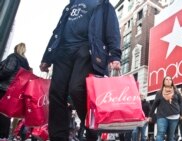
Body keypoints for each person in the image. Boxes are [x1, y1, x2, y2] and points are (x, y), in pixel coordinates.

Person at [39, 0, 121, 141]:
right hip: (63, 51)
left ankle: (91, 125)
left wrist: (115, 55)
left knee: (76, 88)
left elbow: (113, 30)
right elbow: (58, 31)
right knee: (56, 93)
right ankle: (58, 137)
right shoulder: (71, 4)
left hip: (87, 49)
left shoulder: (104, 4)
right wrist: (47, 57)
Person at [0, 42, 32, 139]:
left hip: (5, 87)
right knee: (6, 114)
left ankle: (2, 135)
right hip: (15, 91)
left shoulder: (13, 57)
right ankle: (3, 136)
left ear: (15, 49)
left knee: (2, 112)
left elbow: (8, 70)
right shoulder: (26, 63)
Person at [148, 76, 182, 141]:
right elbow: (154, 104)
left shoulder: (176, 92)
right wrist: (150, 115)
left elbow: (181, 102)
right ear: (164, 82)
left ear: (172, 82)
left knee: (170, 137)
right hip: (162, 116)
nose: (168, 80)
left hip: (174, 116)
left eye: (170, 79)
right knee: (160, 133)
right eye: (166, 79)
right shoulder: (159, 92)